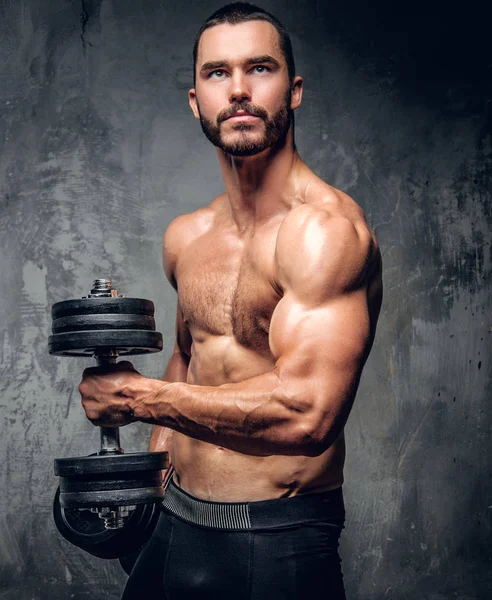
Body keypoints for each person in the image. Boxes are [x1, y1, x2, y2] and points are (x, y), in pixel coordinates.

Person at [79, 3, 383, 598]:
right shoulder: (186, 237)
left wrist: (139, 398)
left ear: (292, 91)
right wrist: (153, 475)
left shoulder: (323, 233)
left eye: (259, 68)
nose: (239, 90)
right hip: (174, 525)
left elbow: (308, 414)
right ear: (196, 100)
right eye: (218, 73)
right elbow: (189, 356)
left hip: (278, 536)